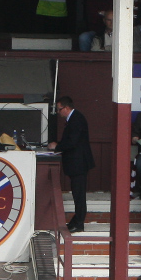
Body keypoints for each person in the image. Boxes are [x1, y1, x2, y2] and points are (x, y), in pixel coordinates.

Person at [54, 95, 94, 232]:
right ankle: (76, 220)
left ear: (66, 108)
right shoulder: (74, 118)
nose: (58, 113)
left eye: (59, 110)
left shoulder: (76, 119)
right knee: (77, 193)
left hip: (79, 163)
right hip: (76, 163)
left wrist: (57, 147)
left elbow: (72, 141)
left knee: (79, 194)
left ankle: (79, 222)